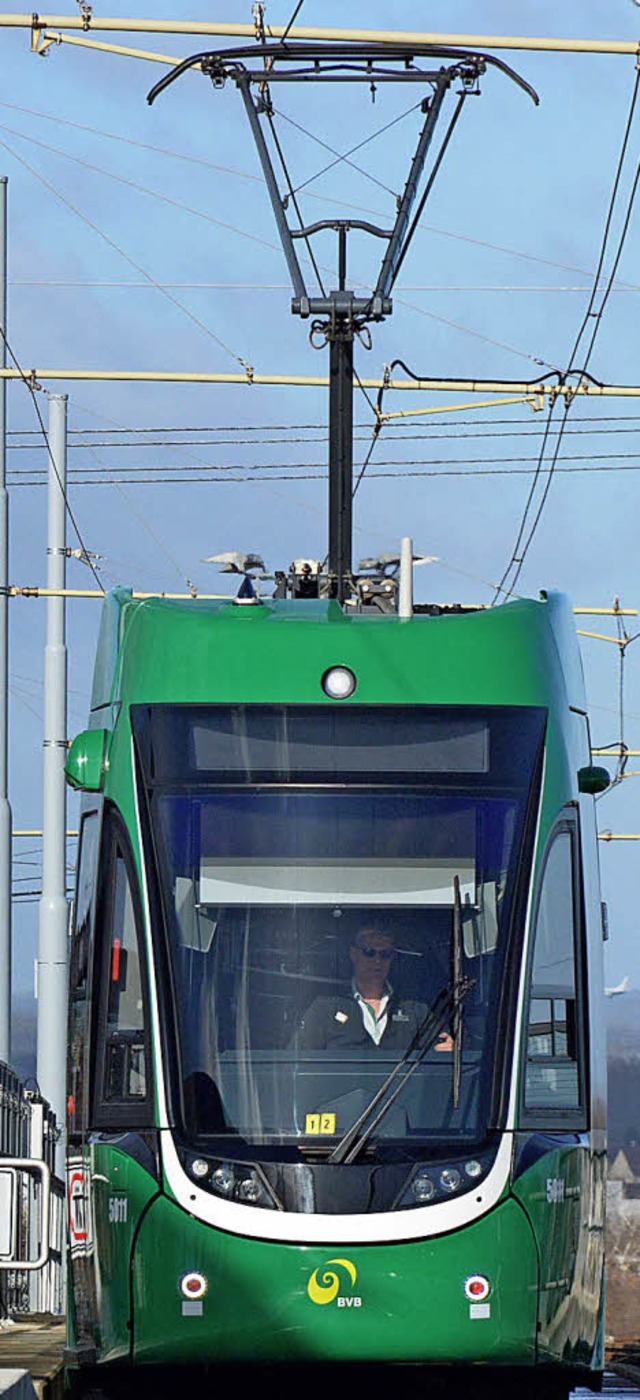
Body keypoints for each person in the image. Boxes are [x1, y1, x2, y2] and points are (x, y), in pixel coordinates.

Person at [295, 926, 454, 1053]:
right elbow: (299, 1062)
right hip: (339, 1093)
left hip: (405, 1093)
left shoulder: (415, 1009)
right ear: (354, 955)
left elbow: (442, 1050)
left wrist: (447, 1049)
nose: (377, 960)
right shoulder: (325, 1008)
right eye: (369, 953)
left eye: (385, 954)